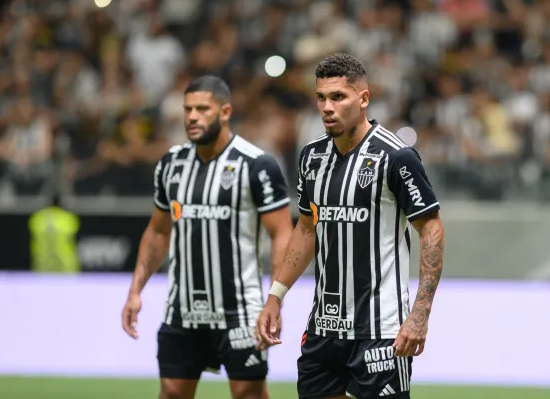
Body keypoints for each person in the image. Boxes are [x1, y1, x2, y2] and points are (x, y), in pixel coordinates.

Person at [256, 53, 446, 399]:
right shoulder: (312, 157)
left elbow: (431, 229)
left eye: (338, 97)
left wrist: (420, 314)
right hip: (324, 329)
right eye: (321, 98)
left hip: (381, 330)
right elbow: (306, 229)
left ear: (363, 99)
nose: (327, 107)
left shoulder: (396, 157)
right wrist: (276, 296)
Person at [122, 75, 294, 399]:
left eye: (202, 109)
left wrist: (275, 301)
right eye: (188, 109)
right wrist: (135, 291)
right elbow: (158, 232)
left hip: (241, 312)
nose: (192, 117)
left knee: (248, 393)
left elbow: (282, 234)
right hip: (182, 309)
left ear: (225, 112)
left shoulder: (257, 165)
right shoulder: (171, 164)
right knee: (172, 392)